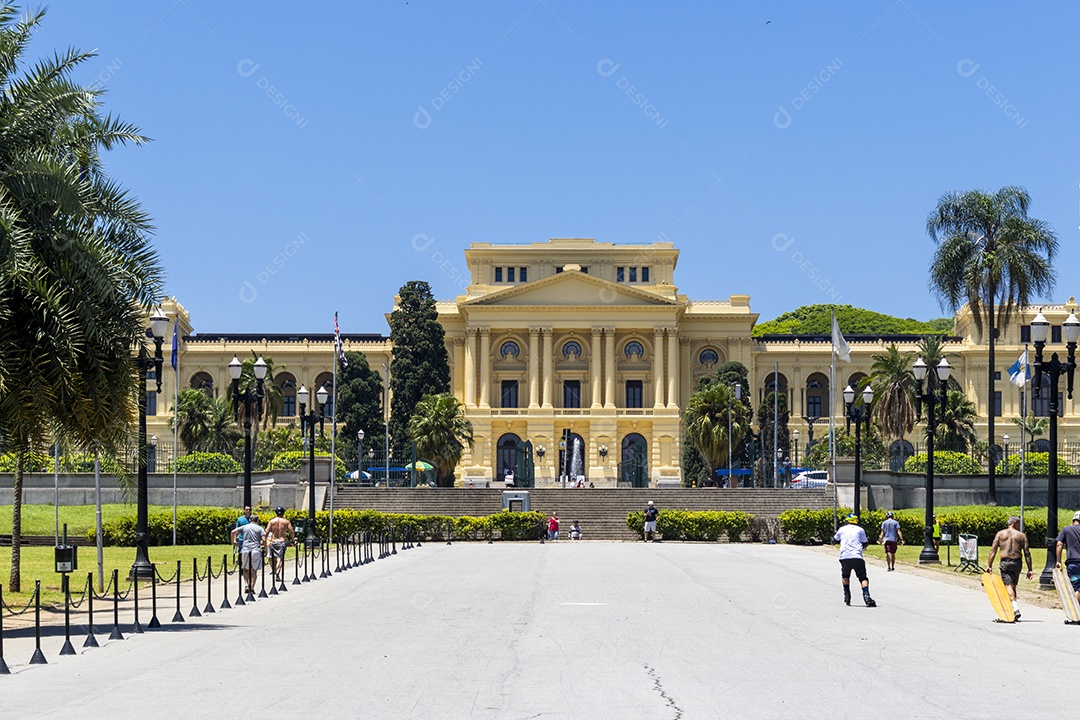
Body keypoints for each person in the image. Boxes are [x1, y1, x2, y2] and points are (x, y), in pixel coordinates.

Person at [987, 516, 1033, 620]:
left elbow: (993, 550)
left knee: (1008, 586)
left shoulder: (1000, 534)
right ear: (1015, 523)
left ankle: (1015, 608)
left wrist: (989, 565)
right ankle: (1012, 611)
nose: (1020, 525)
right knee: (1012, 586)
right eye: (1019, 523)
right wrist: (1030, 569)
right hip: (1017, 563)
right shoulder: (1021, 536)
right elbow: (1027, 553)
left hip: (1005, 562)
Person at [832, 513, 877, 607]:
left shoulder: (842, 529)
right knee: (863, 578)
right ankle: (866, 596)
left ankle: (847, 595)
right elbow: (865, 542)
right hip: (857, 557)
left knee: (845, 576)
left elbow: (835, 539)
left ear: (847, 520)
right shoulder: (860, 530)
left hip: (844, 557)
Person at [231, 511, 266, 594]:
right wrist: (264, 548)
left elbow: (233, 532)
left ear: (250, 520)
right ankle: (252, 587)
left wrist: (234, 542)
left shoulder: (244, 527)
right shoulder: (260, 528)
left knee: (245, 569)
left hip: (245, 549)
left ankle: (246, 584)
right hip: (255, 550)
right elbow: (264, 539)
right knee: (254, 570)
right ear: (257, 521)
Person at [1055, 510, 1080, 606]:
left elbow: (1059, 544)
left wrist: (1058, 561)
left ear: (1074, 519)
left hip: (1073, 563)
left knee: (1077, 587)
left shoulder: (1066, 529)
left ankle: (1075, 613)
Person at [265, 506, 295, 582]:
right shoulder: (286, 522)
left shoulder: (272, 522)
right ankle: (278, 573)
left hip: (273, 541)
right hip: (281, 541)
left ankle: (274, 571)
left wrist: (264, 540)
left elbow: (267, 531)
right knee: (280, 558)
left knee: (272, 557)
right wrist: (293, 540)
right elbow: (291, 531)